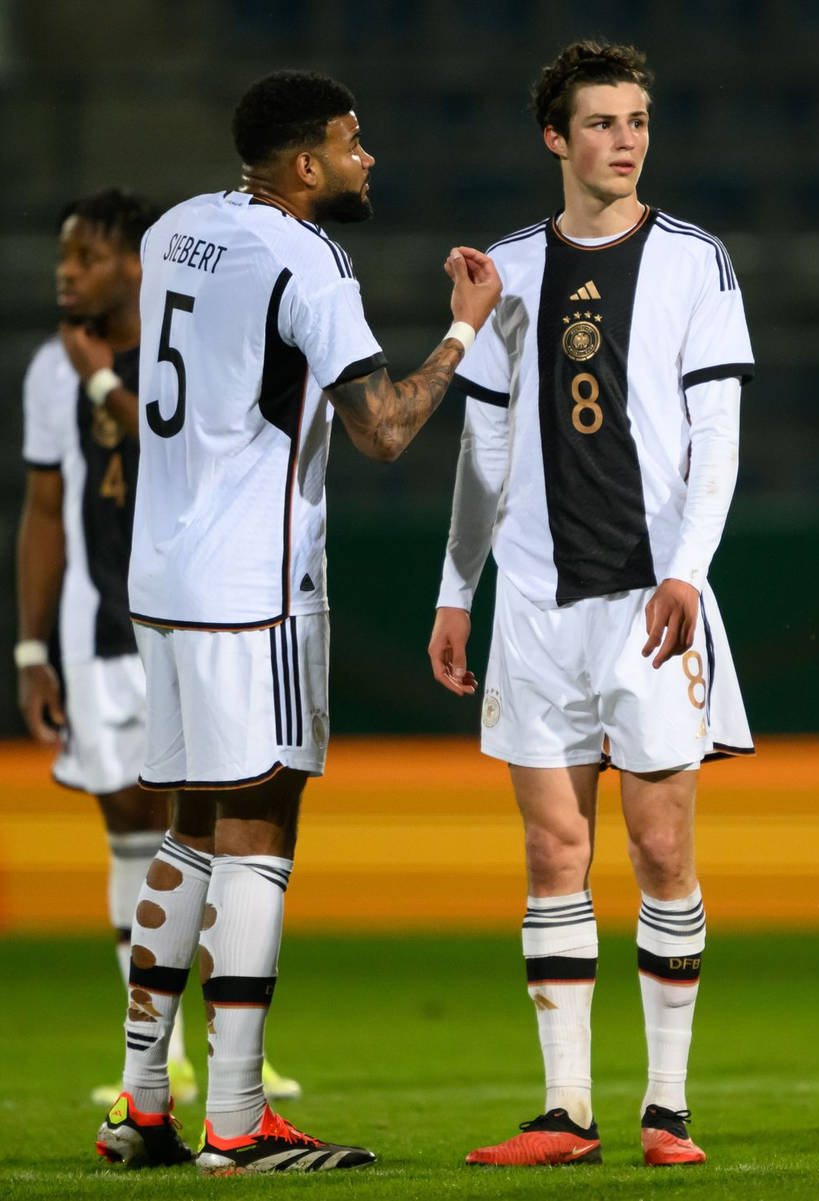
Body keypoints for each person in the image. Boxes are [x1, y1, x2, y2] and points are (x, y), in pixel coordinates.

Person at [94, 70, 500, 1174]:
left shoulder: (178, 228)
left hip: (164, 580)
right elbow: (380, 430)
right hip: (252, 584)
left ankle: (140, 1103)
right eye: (353, 142)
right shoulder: (306, 260)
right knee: (261, 828)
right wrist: (462, 336)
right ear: (306, 165)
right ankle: (235, 1117)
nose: (368, 159)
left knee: (187, 825)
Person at [428, 40, 753, 1168]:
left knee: (662, 848)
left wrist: (688, 573)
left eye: (639, 121)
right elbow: (483, 446)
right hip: (532, 603)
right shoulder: (507, 266)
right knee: (550, 848)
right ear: (556, 138)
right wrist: (454, 588)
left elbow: (719, 436)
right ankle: (568, 1110)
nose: (626, 139)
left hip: (650, 602)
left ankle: (667, 1108)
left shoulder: (697, 261)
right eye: (604, 122)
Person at [18, 189, 302, 1116]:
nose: (66, 272)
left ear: (138, 264)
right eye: (62, 257)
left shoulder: (185, 345)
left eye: (85, 255)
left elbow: (174, 449)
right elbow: (45, 507)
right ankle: (163, 1063)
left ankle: (217, 1058)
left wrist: (102, 381)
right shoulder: (48, 372)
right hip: (106, 624)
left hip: (195, 612)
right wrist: (30, 644)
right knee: (143, 827)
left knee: (214, 824)